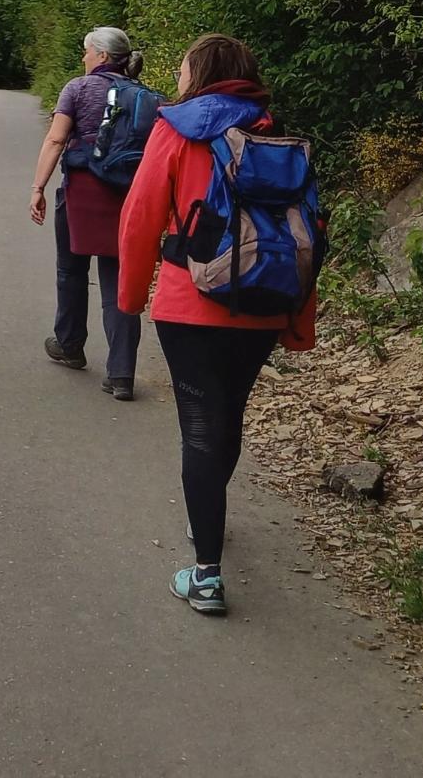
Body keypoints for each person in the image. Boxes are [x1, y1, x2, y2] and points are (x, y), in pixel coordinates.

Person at [116, 34, 318, 615]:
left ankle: (206, 573)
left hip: (192, 305)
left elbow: (139, 219)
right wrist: (297, 321)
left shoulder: (178, 128)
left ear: (199, 73)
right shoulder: (274, 135)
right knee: (228, 418)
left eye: (183, 67)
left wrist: (130, 299)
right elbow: (309, 231)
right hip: (263, 303)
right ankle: (210, 515)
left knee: (201, 428)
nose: (178, 76)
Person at [29, 27, 146, 399]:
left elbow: (56, 139)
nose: (83, 58)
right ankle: (122, 372)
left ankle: (70, 343)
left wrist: (37, 187)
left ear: (99, 55)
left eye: (86, 51)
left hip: (82, 191)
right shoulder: (146, 96)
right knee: (118, 278)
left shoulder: (78, 89)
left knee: (71, 270)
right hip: (128, 196)